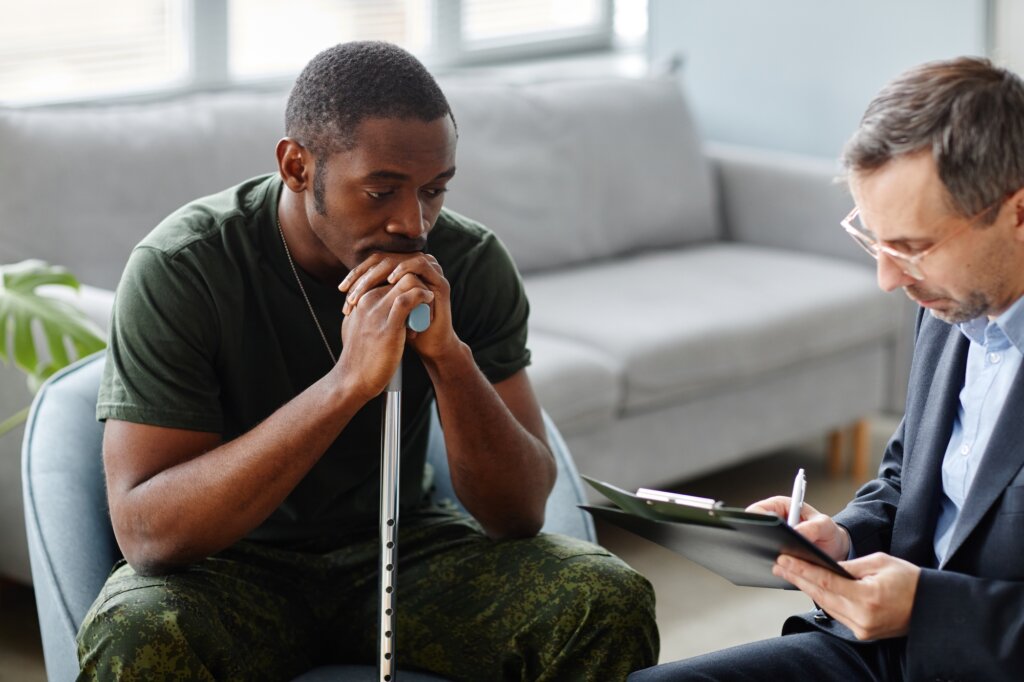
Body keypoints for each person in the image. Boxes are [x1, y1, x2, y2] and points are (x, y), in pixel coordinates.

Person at [77, 41, 658, 681]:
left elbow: (519, 511)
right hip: (232, 569)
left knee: (605, 599)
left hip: (406, 547)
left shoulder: (468, 263)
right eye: (380, 191)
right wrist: (346, 386)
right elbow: (149, 534)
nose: (413, 223)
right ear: (297, 166)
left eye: (434, 190)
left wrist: (449, 357)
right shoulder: (183, 268)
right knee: (137, 631)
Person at [630, 56, 1024, 682]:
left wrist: (930, 611)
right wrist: (839, 540)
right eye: (876, 241)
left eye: (913, 248)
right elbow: (906, 483)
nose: (888, 278)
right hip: (881, 655)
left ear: (1017, 213)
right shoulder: (952, 308)